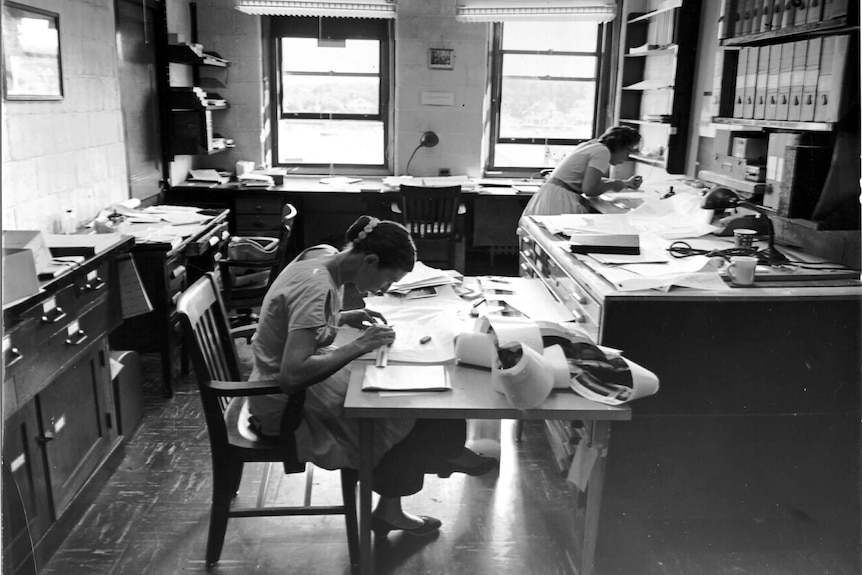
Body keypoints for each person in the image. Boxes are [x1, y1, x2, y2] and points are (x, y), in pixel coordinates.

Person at [246, 215, 495, 537]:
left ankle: (427, 471)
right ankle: (397, 504)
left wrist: (346, 316)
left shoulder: (319, 257)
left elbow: (299, 321)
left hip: (285, 384)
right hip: (285, 405)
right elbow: (291, 376)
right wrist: (361, 344)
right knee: (407, 414)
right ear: (370, 260)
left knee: (415, 400)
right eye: (387, 279)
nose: (386, 288)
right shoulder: (317, 286)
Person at [522, 126, 644, 217]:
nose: (626, 158)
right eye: (627, 152)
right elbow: (590, 189)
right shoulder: (603, 152)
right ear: (619, 146)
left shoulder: (591, 145)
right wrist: (613, 184)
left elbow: (588, 179)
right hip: (561, 199)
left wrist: (623, 183)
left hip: (551, 194)